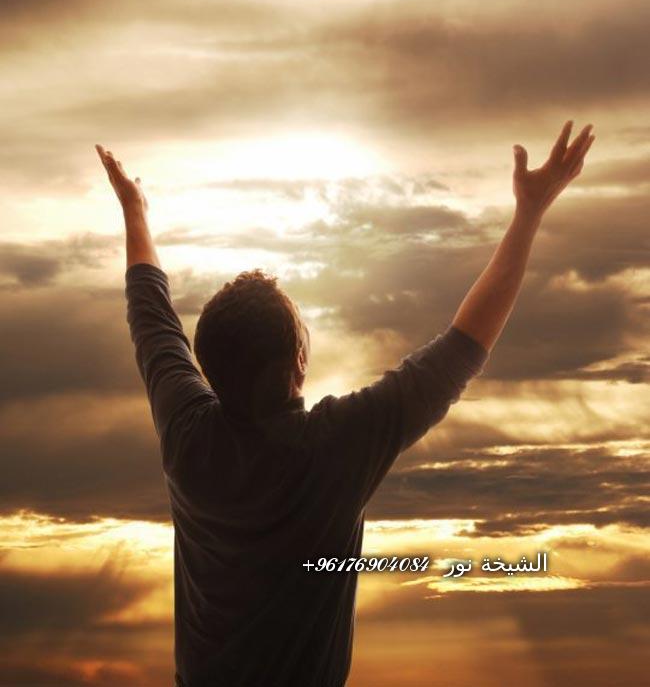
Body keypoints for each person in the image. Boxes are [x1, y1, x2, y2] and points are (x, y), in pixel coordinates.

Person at [96, 120, 595, 687]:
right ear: (299, 361)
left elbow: (150, 314)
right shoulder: (335, 446)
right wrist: (529, 213)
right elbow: (463, 347)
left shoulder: (187, 433)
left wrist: (134, 210)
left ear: (207, 367)